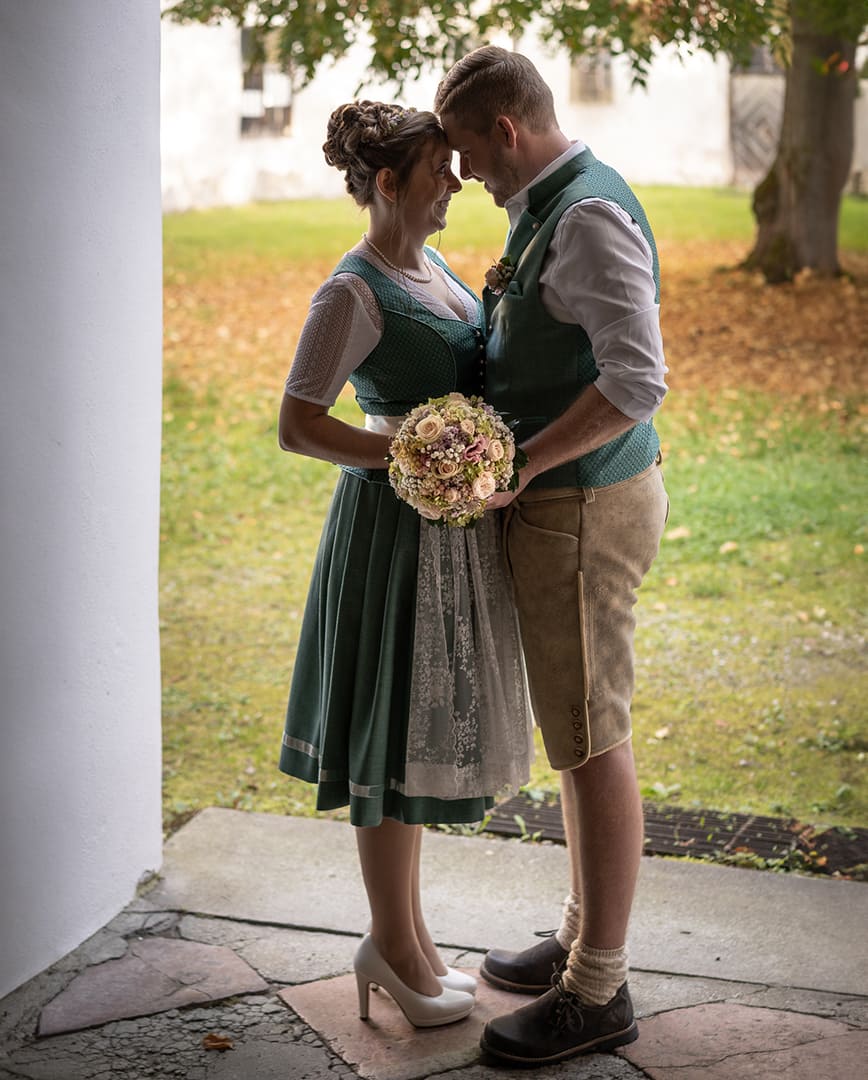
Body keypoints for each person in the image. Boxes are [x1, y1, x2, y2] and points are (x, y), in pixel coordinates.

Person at [434, 47, 670, 1064]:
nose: (463, 177)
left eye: (466, 154)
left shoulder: (583, 215)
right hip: (563, 506)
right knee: (575, 732)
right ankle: (582, 936)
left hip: (585, 508)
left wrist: (522, 462)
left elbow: (637, 380)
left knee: (592, 737)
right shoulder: (548, 205)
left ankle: (599, 991)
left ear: (507, 133)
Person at [277, 100, 533, 1030]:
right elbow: (297, 424)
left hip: (447, 535)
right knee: (390, 739)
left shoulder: (430, 268)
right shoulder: (351, 292)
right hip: (392, 535)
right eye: (439, 172)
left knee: (420, 734)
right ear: (387, 184)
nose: (457, 184)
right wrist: (411, 455)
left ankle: (413, 942)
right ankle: (391, 944)